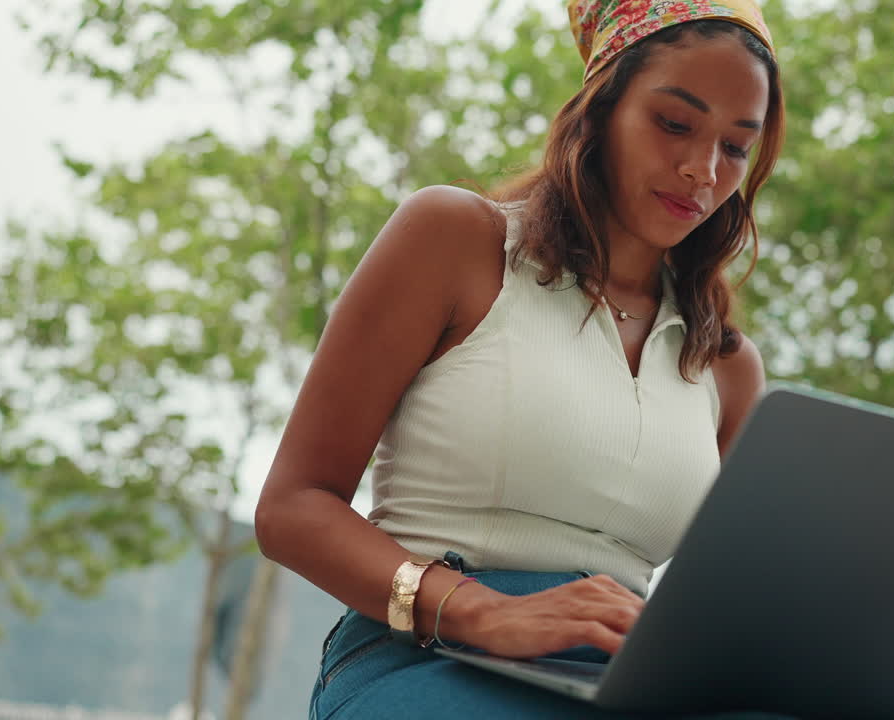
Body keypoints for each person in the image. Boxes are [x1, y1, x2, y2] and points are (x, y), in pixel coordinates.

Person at [255, 0, 787, 716]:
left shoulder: (725, 364)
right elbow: (293, 507)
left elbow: (723, 604)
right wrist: (482, 612)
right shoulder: (457, 242)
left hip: (625, 682)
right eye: (674, 124)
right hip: (430, 654)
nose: (702, 169)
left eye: (735, 147)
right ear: (599, 110)